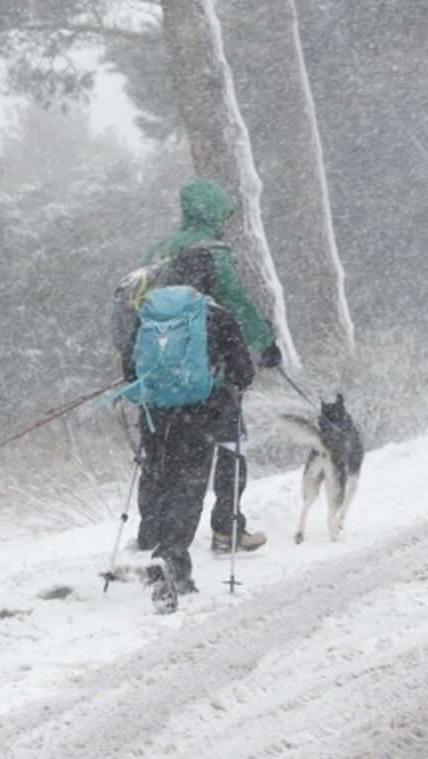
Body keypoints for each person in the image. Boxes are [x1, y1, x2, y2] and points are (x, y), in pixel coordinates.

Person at [140, 177, 279, 554]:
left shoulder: (159, 251)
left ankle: (150, 533)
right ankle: (227, 528)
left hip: (158, 376)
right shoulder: (213, 253)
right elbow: (239, 305)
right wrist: (266, 345)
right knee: (232, 445)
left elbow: (140, 309)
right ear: (214, 211)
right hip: (208, 376)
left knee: (157, 453)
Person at [120, 254, 255, 599]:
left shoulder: (149, 313)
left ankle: (155, 542)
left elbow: (130, 368)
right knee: (188, 487)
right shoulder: (216, 315)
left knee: (161, 477)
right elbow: (243, 372)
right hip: (200, 414)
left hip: (156, 414)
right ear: (208, 280)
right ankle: (172, 559)